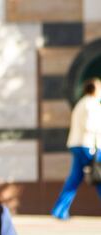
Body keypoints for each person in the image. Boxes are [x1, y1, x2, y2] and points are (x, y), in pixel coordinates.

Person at [51, 77, 101, 220]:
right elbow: (90, 125)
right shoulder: (91, 104)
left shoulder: (82, 103)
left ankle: (59, 210)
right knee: (99, 176)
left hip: (78, 144)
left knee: (74, 179)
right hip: (88, 146)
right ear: (94, 89)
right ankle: (59, 210)